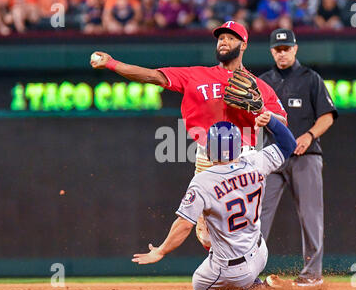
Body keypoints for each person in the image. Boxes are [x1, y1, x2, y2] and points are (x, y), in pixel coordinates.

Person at [90, 20, 287, 249]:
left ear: (243, 45)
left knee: (240, 225)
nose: (224, 41)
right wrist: (112, 63)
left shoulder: (259, 87)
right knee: (206, 236)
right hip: (207, 158)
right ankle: (238, 276)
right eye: (221, 38)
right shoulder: (197, 75)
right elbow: (152, 76)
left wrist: (263, 112)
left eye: (231, 38)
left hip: (245, 158)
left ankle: (246, 276)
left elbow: (282, 121)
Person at [132, 112, 297, 290]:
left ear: (209, 151)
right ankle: (255, 283)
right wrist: (272, 121)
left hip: (232, 269)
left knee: (199, 285)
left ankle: (258, 287)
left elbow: (184, 225)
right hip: (260, 253)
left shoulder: (203, 181)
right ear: (239, 146)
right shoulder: (256, 162)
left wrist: (160, 251)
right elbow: (289, 144)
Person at [259, 28, 338, 287]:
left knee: (311, 215)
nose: (282, 53)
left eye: (287, 48)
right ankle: (247, 272)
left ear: (295, 49)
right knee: (257, 215)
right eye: (278, 49)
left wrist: (309, 135)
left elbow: (327, 115)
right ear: (272, 51)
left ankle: (312, 274)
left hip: (306, 155)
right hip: (272, 157)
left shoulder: (310, 78)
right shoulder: (262, 81)